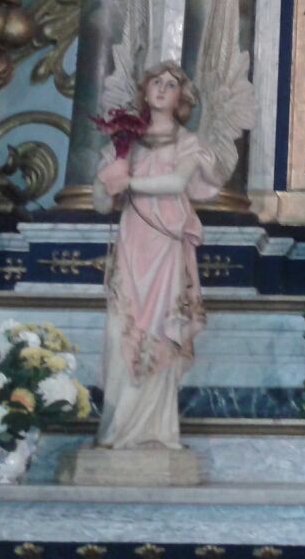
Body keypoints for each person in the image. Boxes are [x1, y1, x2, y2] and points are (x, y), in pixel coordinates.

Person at [92, 61, 222, 449]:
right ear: (145, 92)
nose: (162, 89)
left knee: (161, 330)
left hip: (165, 244)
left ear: (181, 97)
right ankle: (117, 427)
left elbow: (177, 182)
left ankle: (157, 430)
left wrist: (128, 180)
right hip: (133, 240)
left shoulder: (188, 142)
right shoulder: (125, 142)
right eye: (156, 83)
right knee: (122, 327)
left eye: (171, 84)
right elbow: (102, 203)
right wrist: (107, 178)